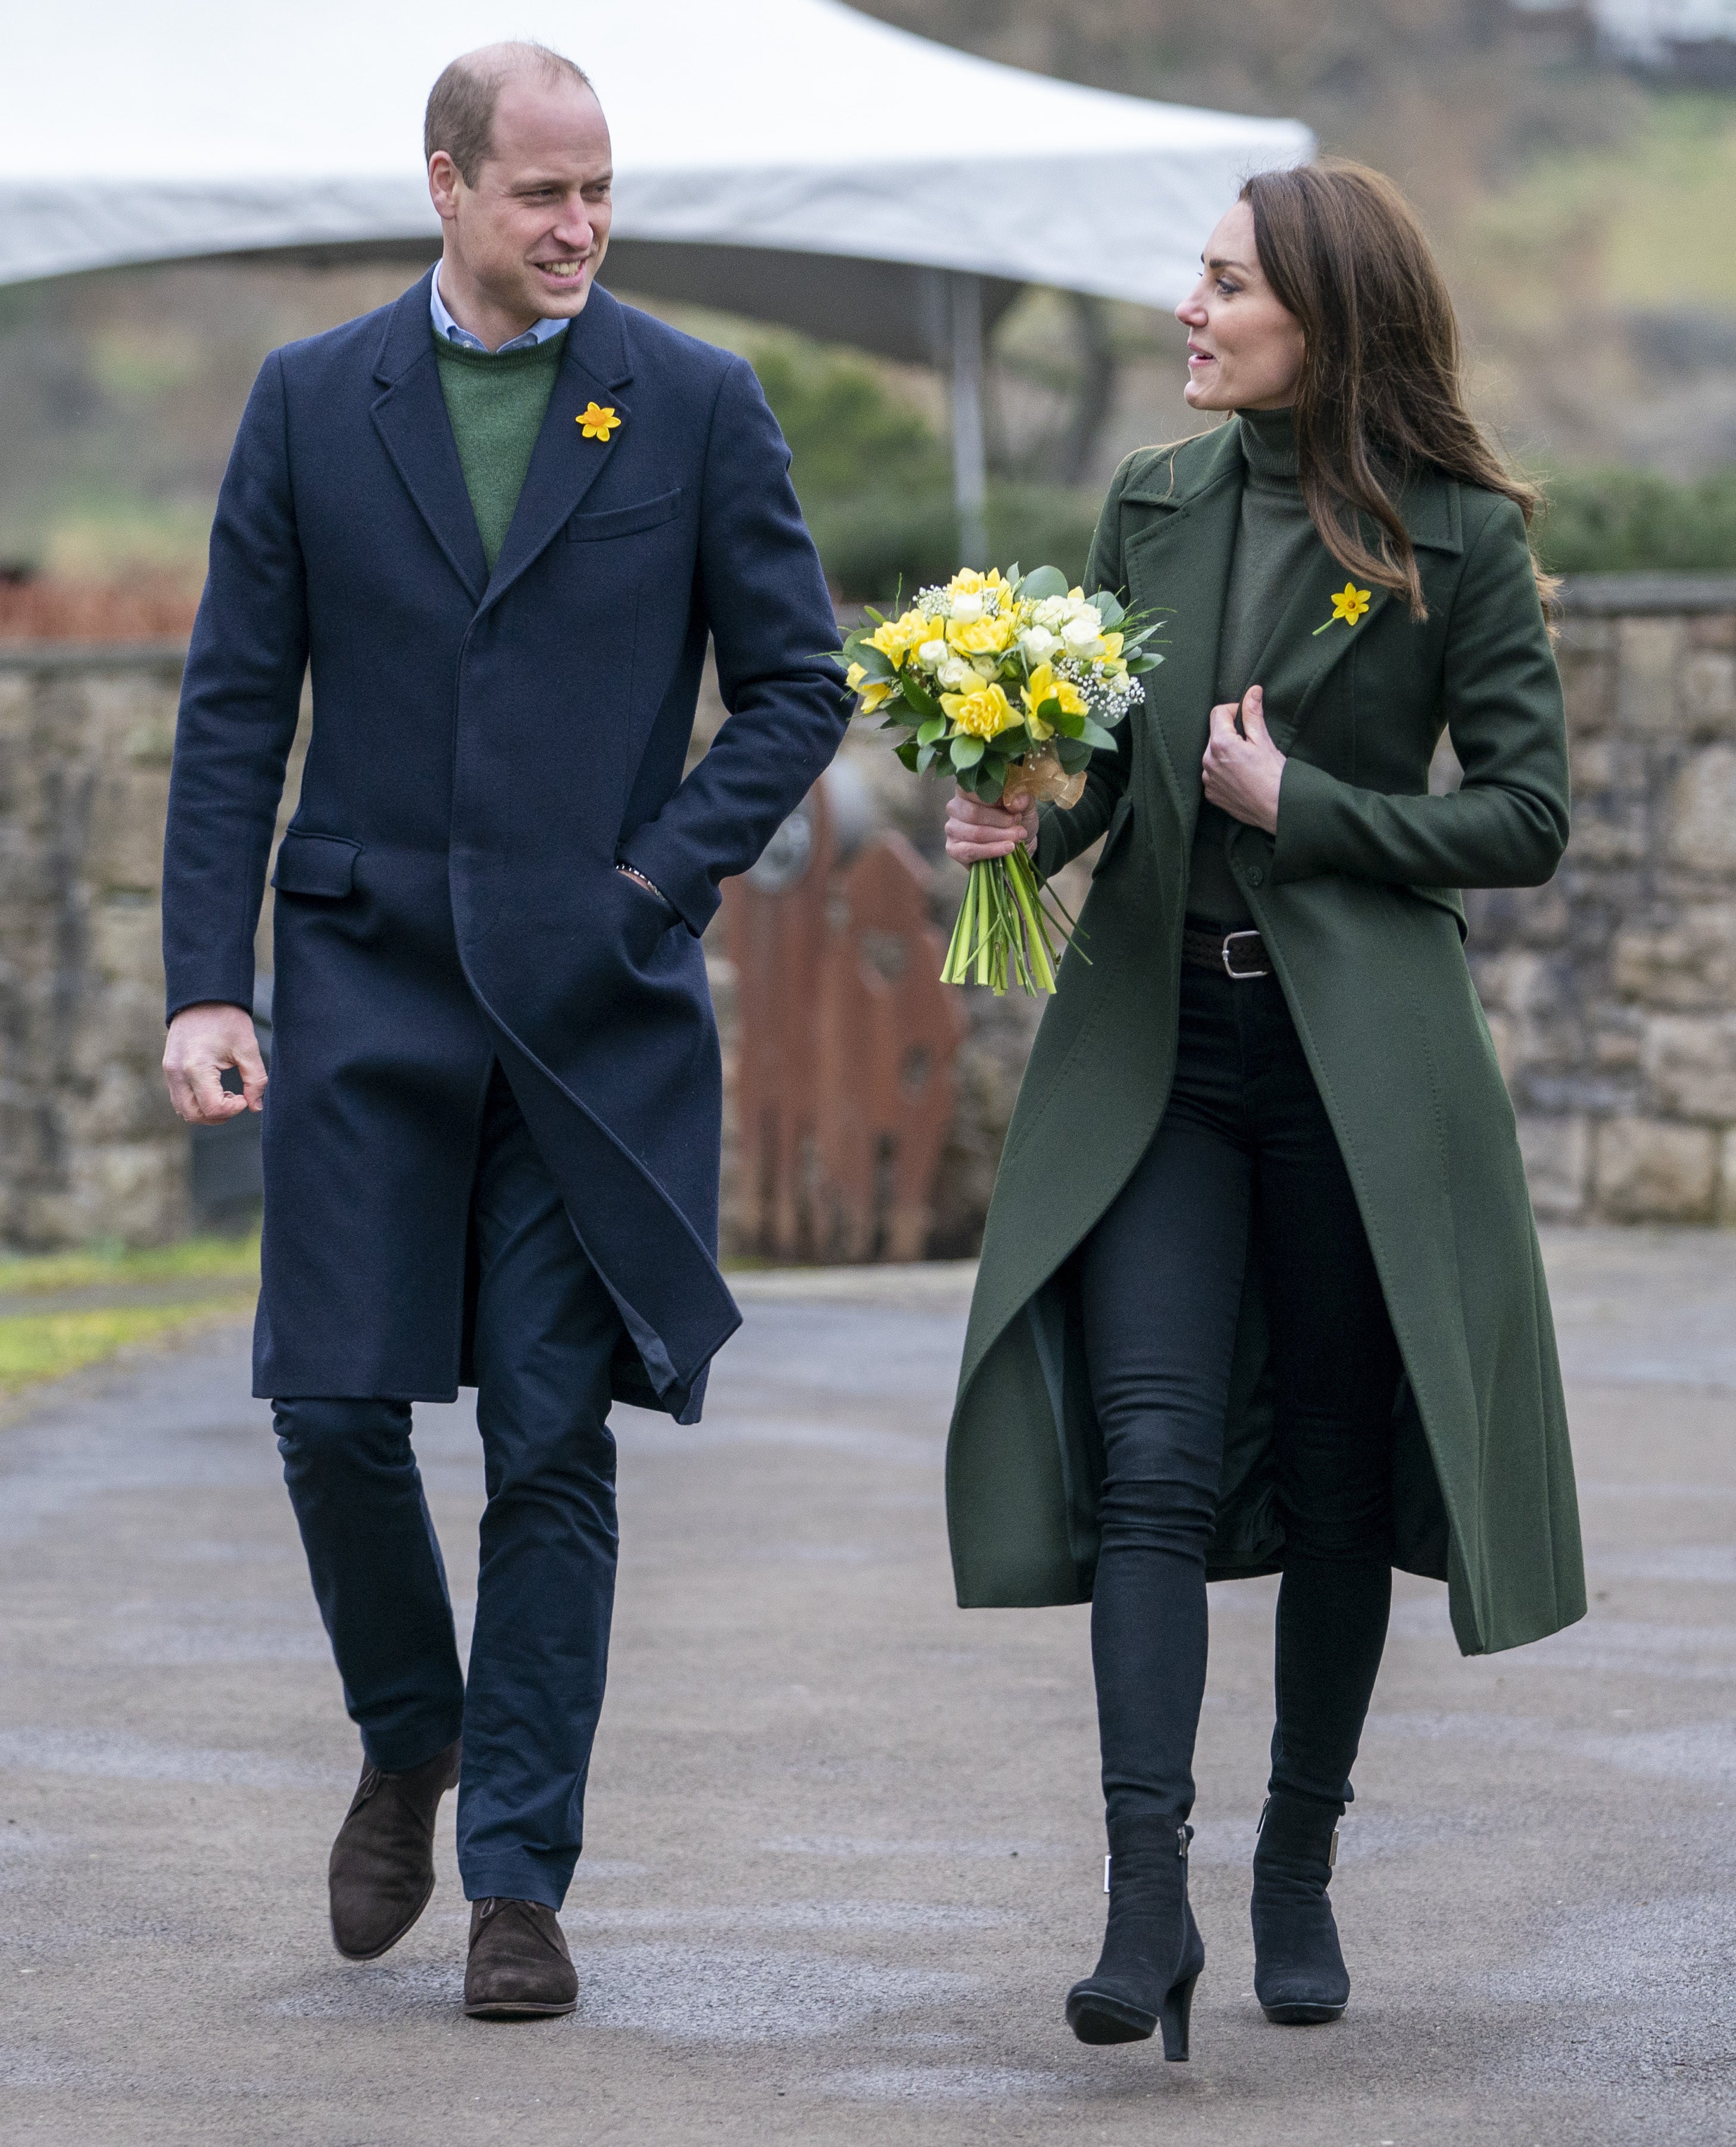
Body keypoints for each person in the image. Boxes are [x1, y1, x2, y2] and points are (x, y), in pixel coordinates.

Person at [160, 42, 845, 2020]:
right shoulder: (309, 404)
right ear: (445, 184)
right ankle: (409, 1727)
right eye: (541, 192)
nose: (579, 227)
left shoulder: (696, 402)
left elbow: (795, 687)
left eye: (601, 191)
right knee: (329, 1410)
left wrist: (654, 880)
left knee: (551, 1441)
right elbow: (231, 710)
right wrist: (210, 978)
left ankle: (518, 1883)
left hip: (587, 1010)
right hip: (362, 981)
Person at [943, 160, 1584, 2058]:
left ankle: (1294, 1866)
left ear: (1323, 313)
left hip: (1351, 1077)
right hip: (1158, 1059)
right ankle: (1146, 1904)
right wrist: (1014, 814)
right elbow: (1117, 783)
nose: (1187, 311)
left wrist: (1304, 811)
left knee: (1319, 1478)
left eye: (1222, 284)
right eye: (1197, 279)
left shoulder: (1454, 534)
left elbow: (1525, 819)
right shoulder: (1149, 500)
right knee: (1145, 1463)